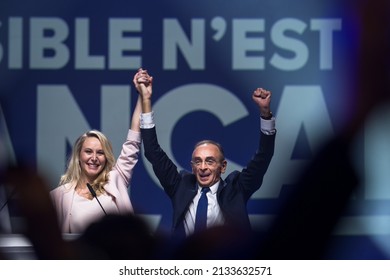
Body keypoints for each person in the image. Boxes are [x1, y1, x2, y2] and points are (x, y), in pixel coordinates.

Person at [133, 68, 276, 239]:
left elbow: (263, 157)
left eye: (209, 161)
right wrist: (146, 99)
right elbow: (152, 151)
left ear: (223, 167)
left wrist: (265, 114)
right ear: (192, 166)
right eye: (197, 161)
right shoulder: (180, 186)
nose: (202, 167)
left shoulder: (237, 189)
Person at [50, 88, 142, 234]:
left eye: (100, 153)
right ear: (78, 156)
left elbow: (133, 140)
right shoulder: (59, 195)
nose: (94, 158)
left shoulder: (116, 179)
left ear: (106, 158)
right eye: (88, 152)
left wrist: (143, 96)